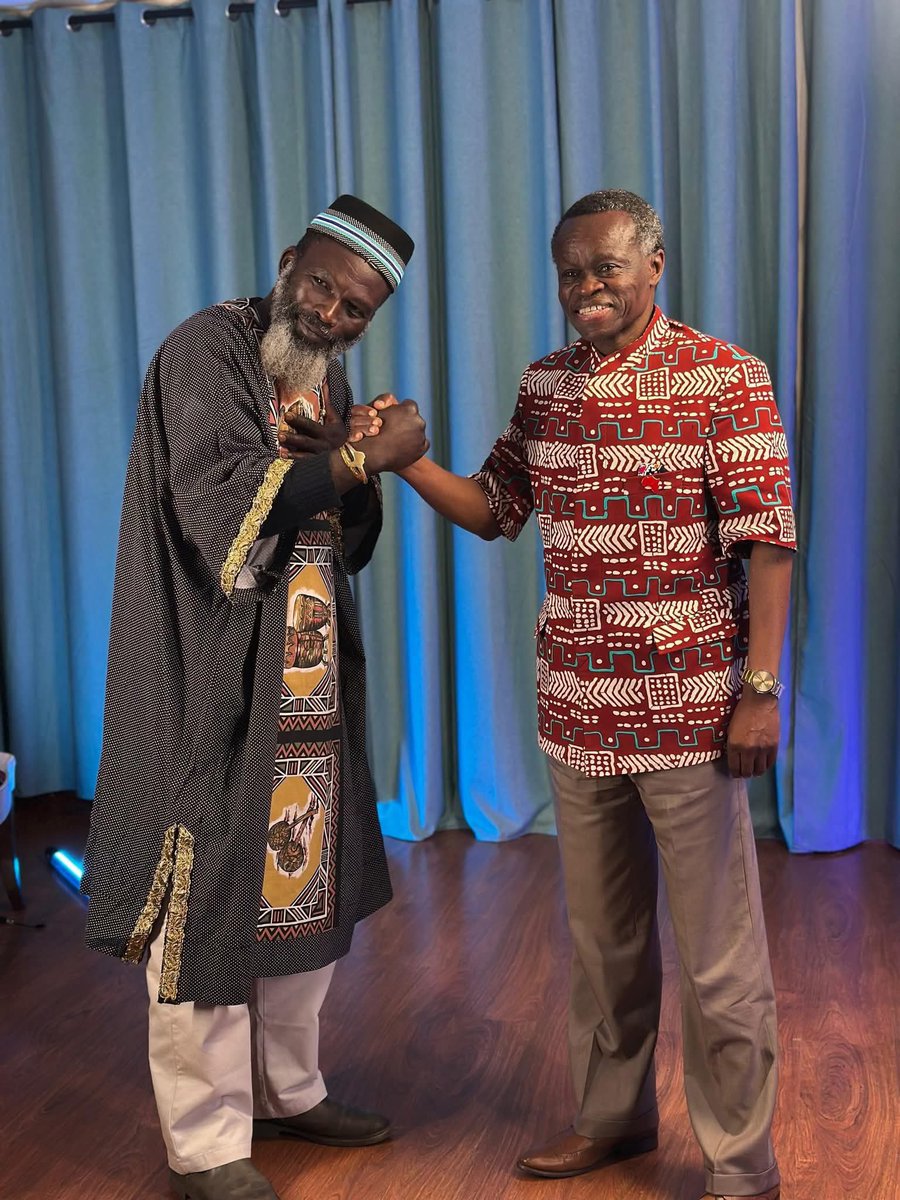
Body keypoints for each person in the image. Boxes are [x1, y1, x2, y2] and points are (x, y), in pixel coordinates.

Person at [357, 190, 793, 1200]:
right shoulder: (546, 385)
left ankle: (742, 1168)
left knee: (720, 963)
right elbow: (496, 507)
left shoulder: (726, 378)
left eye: (605, 269)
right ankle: (615, 1121)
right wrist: (409, 460)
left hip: (690, 713)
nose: (586, 288)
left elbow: (768, 540)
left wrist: (760, 692)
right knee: (604, 949)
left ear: (655, 266)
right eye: (570, 274)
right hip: (577, 708)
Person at [82, 195, 429, 1200]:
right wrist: (363, 459)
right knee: (208, 906)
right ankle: (206, 1143)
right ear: (289, 262)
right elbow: (215, 513)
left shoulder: (318, 375)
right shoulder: (207, 349)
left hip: (305, 691)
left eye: (356, 309)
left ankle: (288, 1092)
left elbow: (340, 544)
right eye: (322, 285)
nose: (331, 314)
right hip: (208, 684)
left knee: (296, 907)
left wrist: (354, 472)